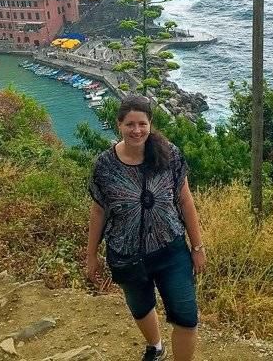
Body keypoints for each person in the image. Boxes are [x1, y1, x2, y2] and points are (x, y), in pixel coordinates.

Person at [87, 95, 206, 361]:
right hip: (126, 253)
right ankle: (156, 346)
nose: (137, 130)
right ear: (119, 124)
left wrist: (197, 247)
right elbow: (99, 211)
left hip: (170, 250)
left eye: (142, 123)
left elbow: (185, 200)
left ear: (150, 124)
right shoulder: (105, 166)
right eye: (130, 124)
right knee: (140, 308)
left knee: (186, 316)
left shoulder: (169, 155)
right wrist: (91, 254)